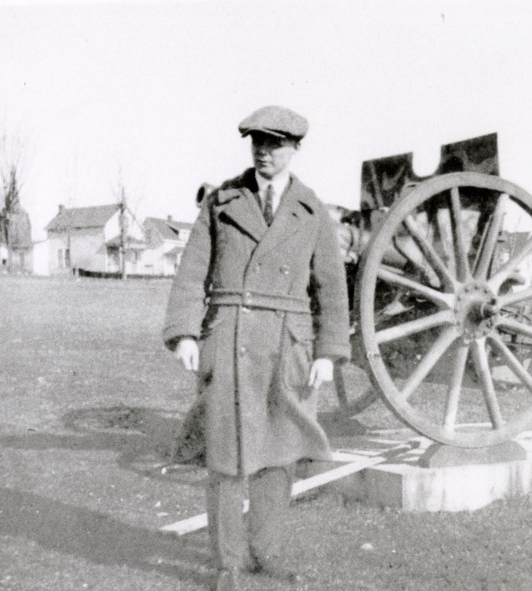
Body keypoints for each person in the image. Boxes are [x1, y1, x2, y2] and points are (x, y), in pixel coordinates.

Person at [163, 105, 350, 591]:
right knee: (225, 456)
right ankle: (228, 564)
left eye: (276, 144)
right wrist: (185, 333)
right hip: (228, 339)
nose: (265, 152)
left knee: (279, 455)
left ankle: (266, 553)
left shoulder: (311, 210)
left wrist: (328, 353)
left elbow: (331, 288)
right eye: (258, 143)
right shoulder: (221, 202)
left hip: (288, 348)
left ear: (295, 149)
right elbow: (190, 273)